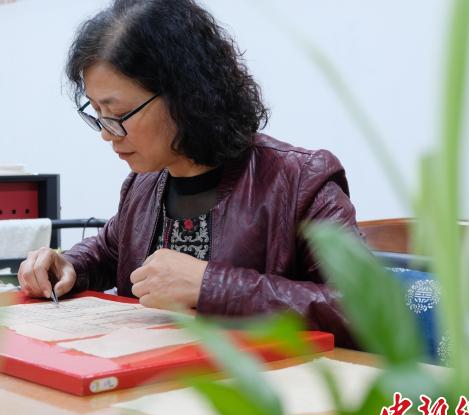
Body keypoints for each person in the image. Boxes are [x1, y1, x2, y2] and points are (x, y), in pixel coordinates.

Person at [18, 0, 360, 347]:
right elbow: (109, 251)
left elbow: (365, 308)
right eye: (97, 113)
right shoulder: (144, 184)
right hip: (151, 372)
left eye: (118, 114)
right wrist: (68, 265)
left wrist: (212, 286)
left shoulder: (300, 180)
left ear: (185, 95)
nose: (107, 134)